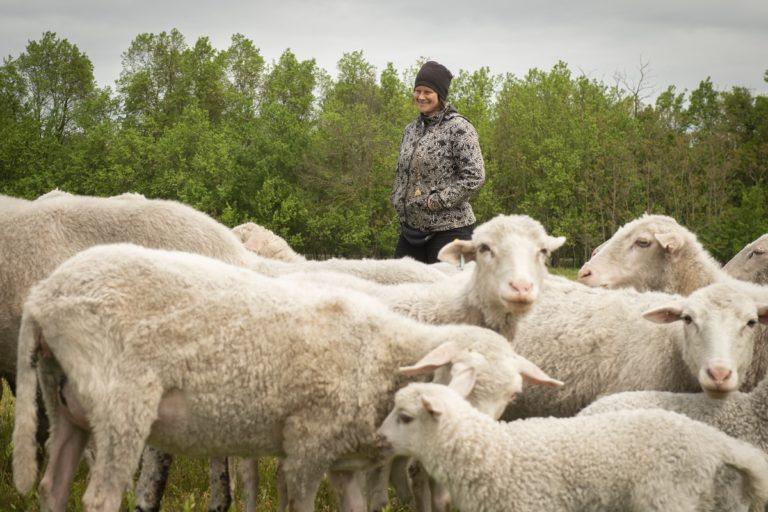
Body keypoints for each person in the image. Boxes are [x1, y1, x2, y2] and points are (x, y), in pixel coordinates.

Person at [390, 60, 486, 264]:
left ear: (440, 95)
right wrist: (398, 198)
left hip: (449, 231)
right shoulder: (410, 130)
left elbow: (474, 176)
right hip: (411, 230)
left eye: (427, 92)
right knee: (400, 288)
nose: (421, 96)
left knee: (448, 293)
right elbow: (403, 173)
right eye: (417, 91)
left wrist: (435, 201)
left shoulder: (459, 128)